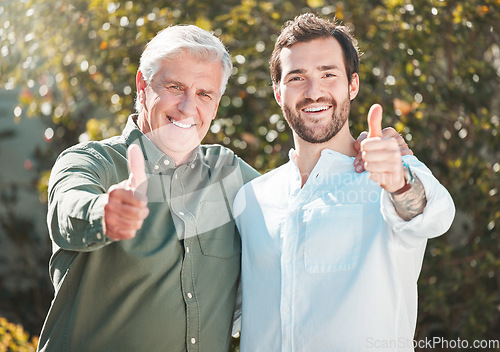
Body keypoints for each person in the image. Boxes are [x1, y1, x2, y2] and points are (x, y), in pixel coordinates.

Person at [232, 13, 455, 352]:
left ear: (352, 85)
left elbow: (434, 214)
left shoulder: (388, 172)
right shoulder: (252, 199)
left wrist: (399, 182)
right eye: (296, 77)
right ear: (278, 92)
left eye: (328, 74)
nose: (314, 91)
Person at [36, 25, 261, 352]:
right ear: (143, 85)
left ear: (216, 104)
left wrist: (355, 163)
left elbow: (300, 207)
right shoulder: (92, 161)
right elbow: (67, 210)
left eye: (204, 94)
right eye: (175, 87)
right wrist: (106, 213)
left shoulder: (228, 173)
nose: (187, 107)